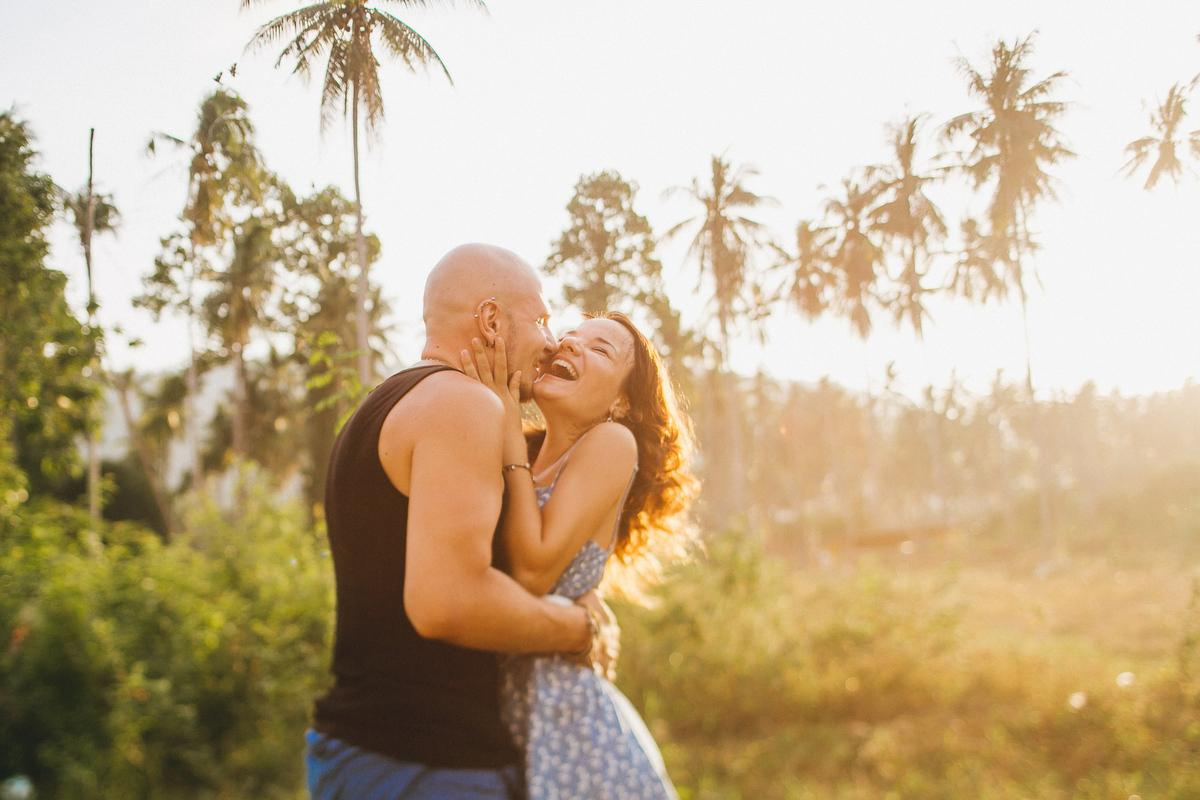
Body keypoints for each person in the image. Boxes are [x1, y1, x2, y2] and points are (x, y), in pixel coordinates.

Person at [306, 243, 615, 799]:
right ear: (491, 320)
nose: (551, 341)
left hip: (369, 756)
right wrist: (577, 627)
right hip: (428, 764)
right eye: (541, 319)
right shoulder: (462, 405)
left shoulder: (386, 401)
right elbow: (447, 600)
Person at [460, 310, 699, 800]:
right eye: (571, 336)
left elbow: (531, 571)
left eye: (600, 349)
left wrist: (506, 422)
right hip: (492, 713)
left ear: (622, 403)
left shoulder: (612, 442)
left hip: (567, 729)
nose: (569, 344)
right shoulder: (515, 459)